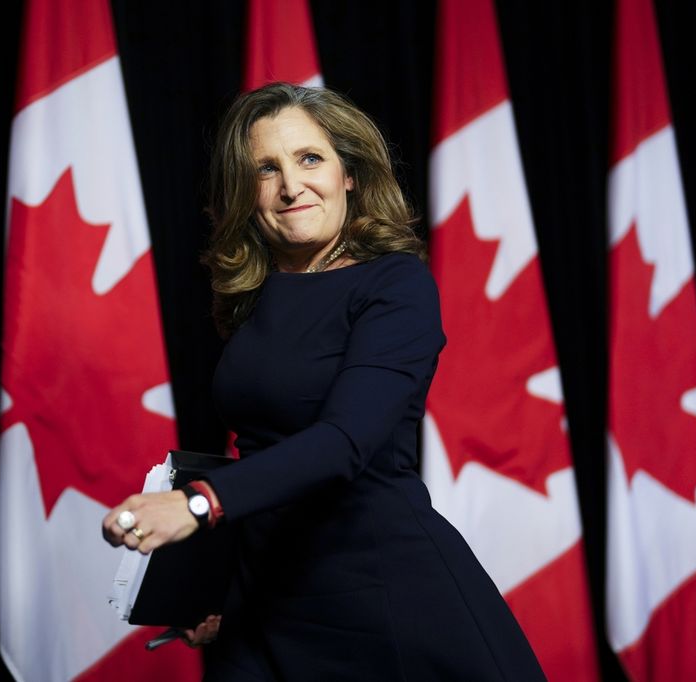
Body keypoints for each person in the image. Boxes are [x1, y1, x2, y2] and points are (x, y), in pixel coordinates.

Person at [102, 82, 545, 681]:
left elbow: (343, 442)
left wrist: (198, 504)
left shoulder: (395, 286)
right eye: (266, 168)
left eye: (310, 159)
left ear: (350, 174)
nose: (290, 185)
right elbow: (261, 447)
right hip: (264, 602)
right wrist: (208, 582)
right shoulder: (252, 295)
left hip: (382, 596)